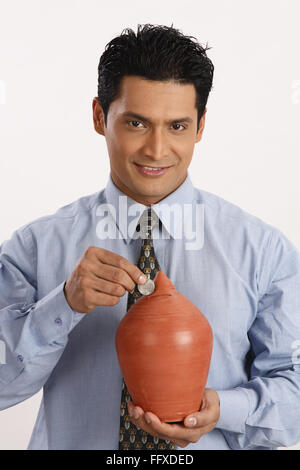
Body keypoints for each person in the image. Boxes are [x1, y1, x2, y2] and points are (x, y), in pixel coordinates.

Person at [1, 23, 300, 451]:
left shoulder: (263, 252)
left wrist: (225, 409)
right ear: (100, 117)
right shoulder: (32, 248)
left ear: (200, 126)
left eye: (177, 126)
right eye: (137, 123)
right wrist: (63, 303)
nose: (157, 150)